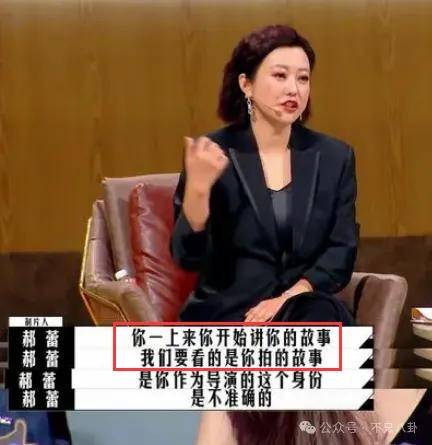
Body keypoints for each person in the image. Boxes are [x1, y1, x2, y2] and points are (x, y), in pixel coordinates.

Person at [170, 24, 383, 444]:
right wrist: (197, 191)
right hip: (232, 311)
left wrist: (287, 297)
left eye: (303, 78)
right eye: (280, 75)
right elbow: (186, 256)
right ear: (246, 84)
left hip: (301, 304)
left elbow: (340, 251)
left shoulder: (333, 156)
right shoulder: (214, 152)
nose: (294, 89)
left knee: (318, 320)